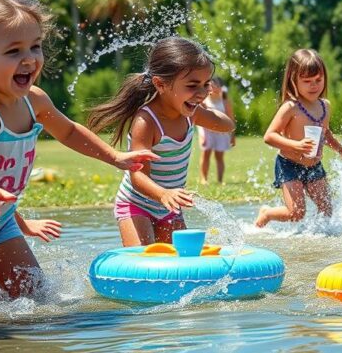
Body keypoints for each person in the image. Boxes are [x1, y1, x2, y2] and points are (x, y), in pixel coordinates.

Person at [0, 0, 155, 297]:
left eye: (35, 46)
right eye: (13, 51)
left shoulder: (34, 100)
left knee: (38, 299)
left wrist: (115, 157)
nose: (29, 59)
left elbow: (67, 131)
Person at [88, 37, 234, 247]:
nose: (201, 93)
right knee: (144, 262)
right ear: (160, 84)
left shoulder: (191, 113)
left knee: (180, 265)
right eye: (193, 85)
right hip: (136, 205)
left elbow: (227, 125)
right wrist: (163, 193)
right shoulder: (146, 121)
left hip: (168, 207)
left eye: (206, 85)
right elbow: (137, 176)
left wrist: (209, 108)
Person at [255, 49, 342, 227]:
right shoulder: (291, 107)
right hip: (289, 164)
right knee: (296, 212)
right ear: (293, 80)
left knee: (326, 210)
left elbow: (325, 133)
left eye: (318, 80)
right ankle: (267, 213)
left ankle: (315, 237)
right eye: (307, 81)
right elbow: (269, 136)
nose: (314, 85)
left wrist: (340, 149)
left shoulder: (325, 106)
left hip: (314, 165)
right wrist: (296, 145)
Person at [198, 77, 235, 185]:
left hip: (221, 133)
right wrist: (202, 136)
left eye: (215, 85)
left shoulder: (224, 101)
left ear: (220, 87)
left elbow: (231, 118)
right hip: (206, 132)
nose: (213, 87)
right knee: (206, 154)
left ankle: (220, 180)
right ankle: (204, 179)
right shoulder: (204, 100)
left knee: (219, 156)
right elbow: (199, 118)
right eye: (211, 85)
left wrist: (232, 135)